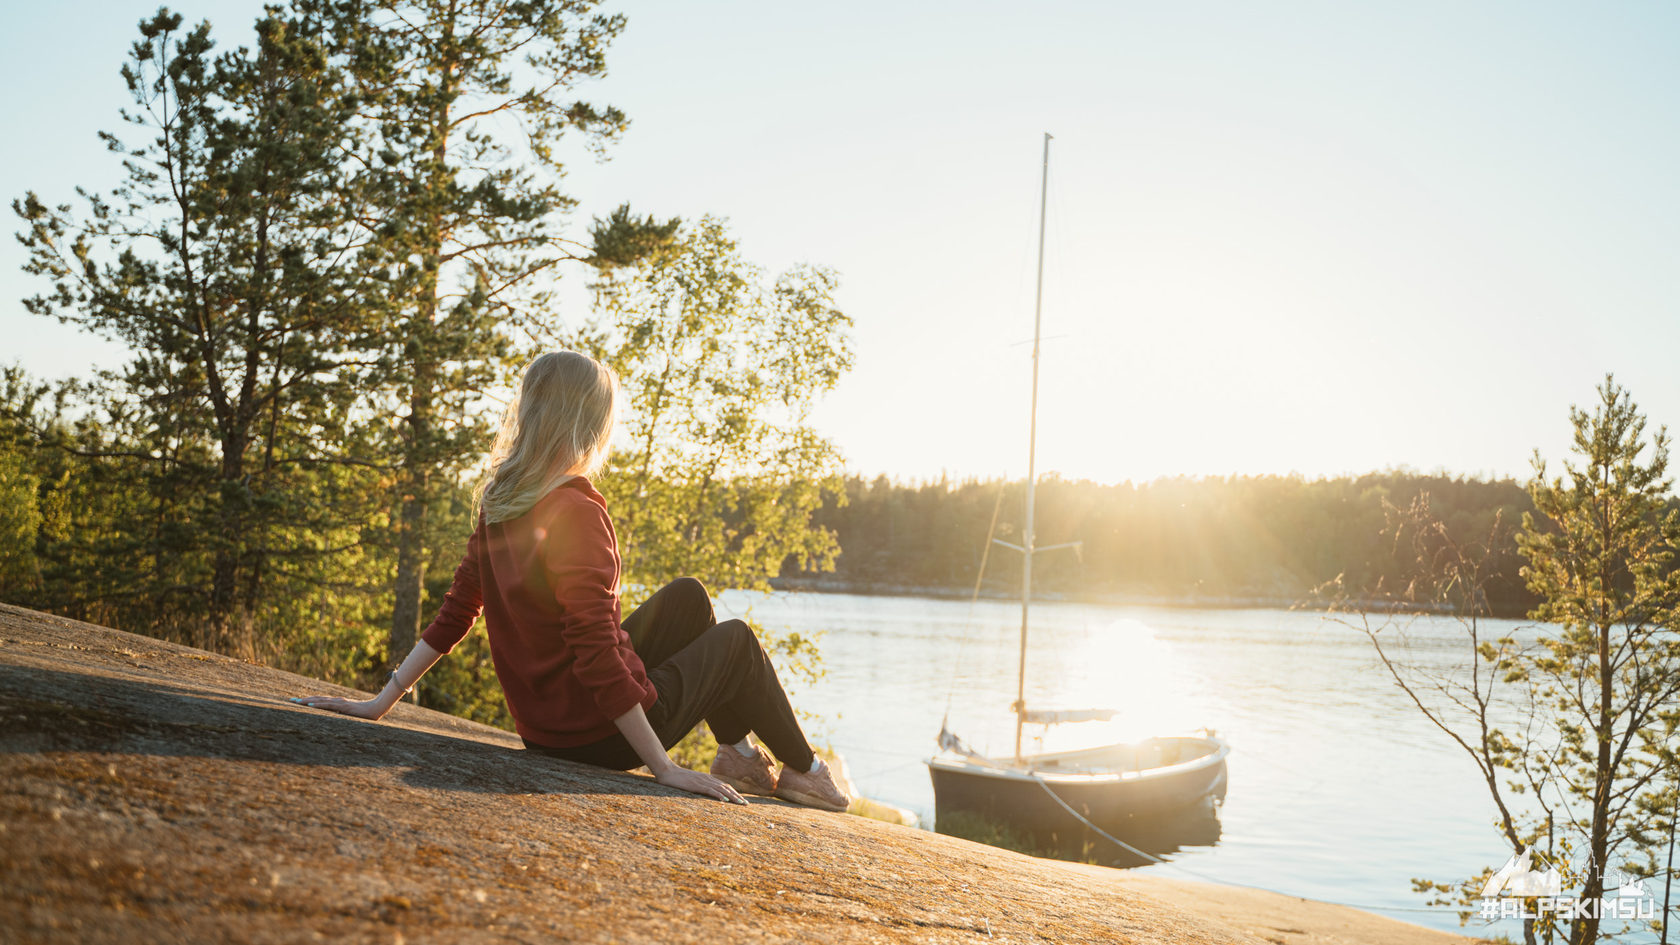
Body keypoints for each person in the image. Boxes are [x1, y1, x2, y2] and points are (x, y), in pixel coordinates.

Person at [290, 351, 849, 811]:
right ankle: (804, 770)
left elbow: (458, 611)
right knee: (739, 644)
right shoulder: (577, 512)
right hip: (598, 735)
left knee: (688, 598)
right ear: (591, 424)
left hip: (547, 729)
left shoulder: (501, 500)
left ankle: (739, 755)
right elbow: (594, 647)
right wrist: (664, 768)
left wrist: (380, 702)